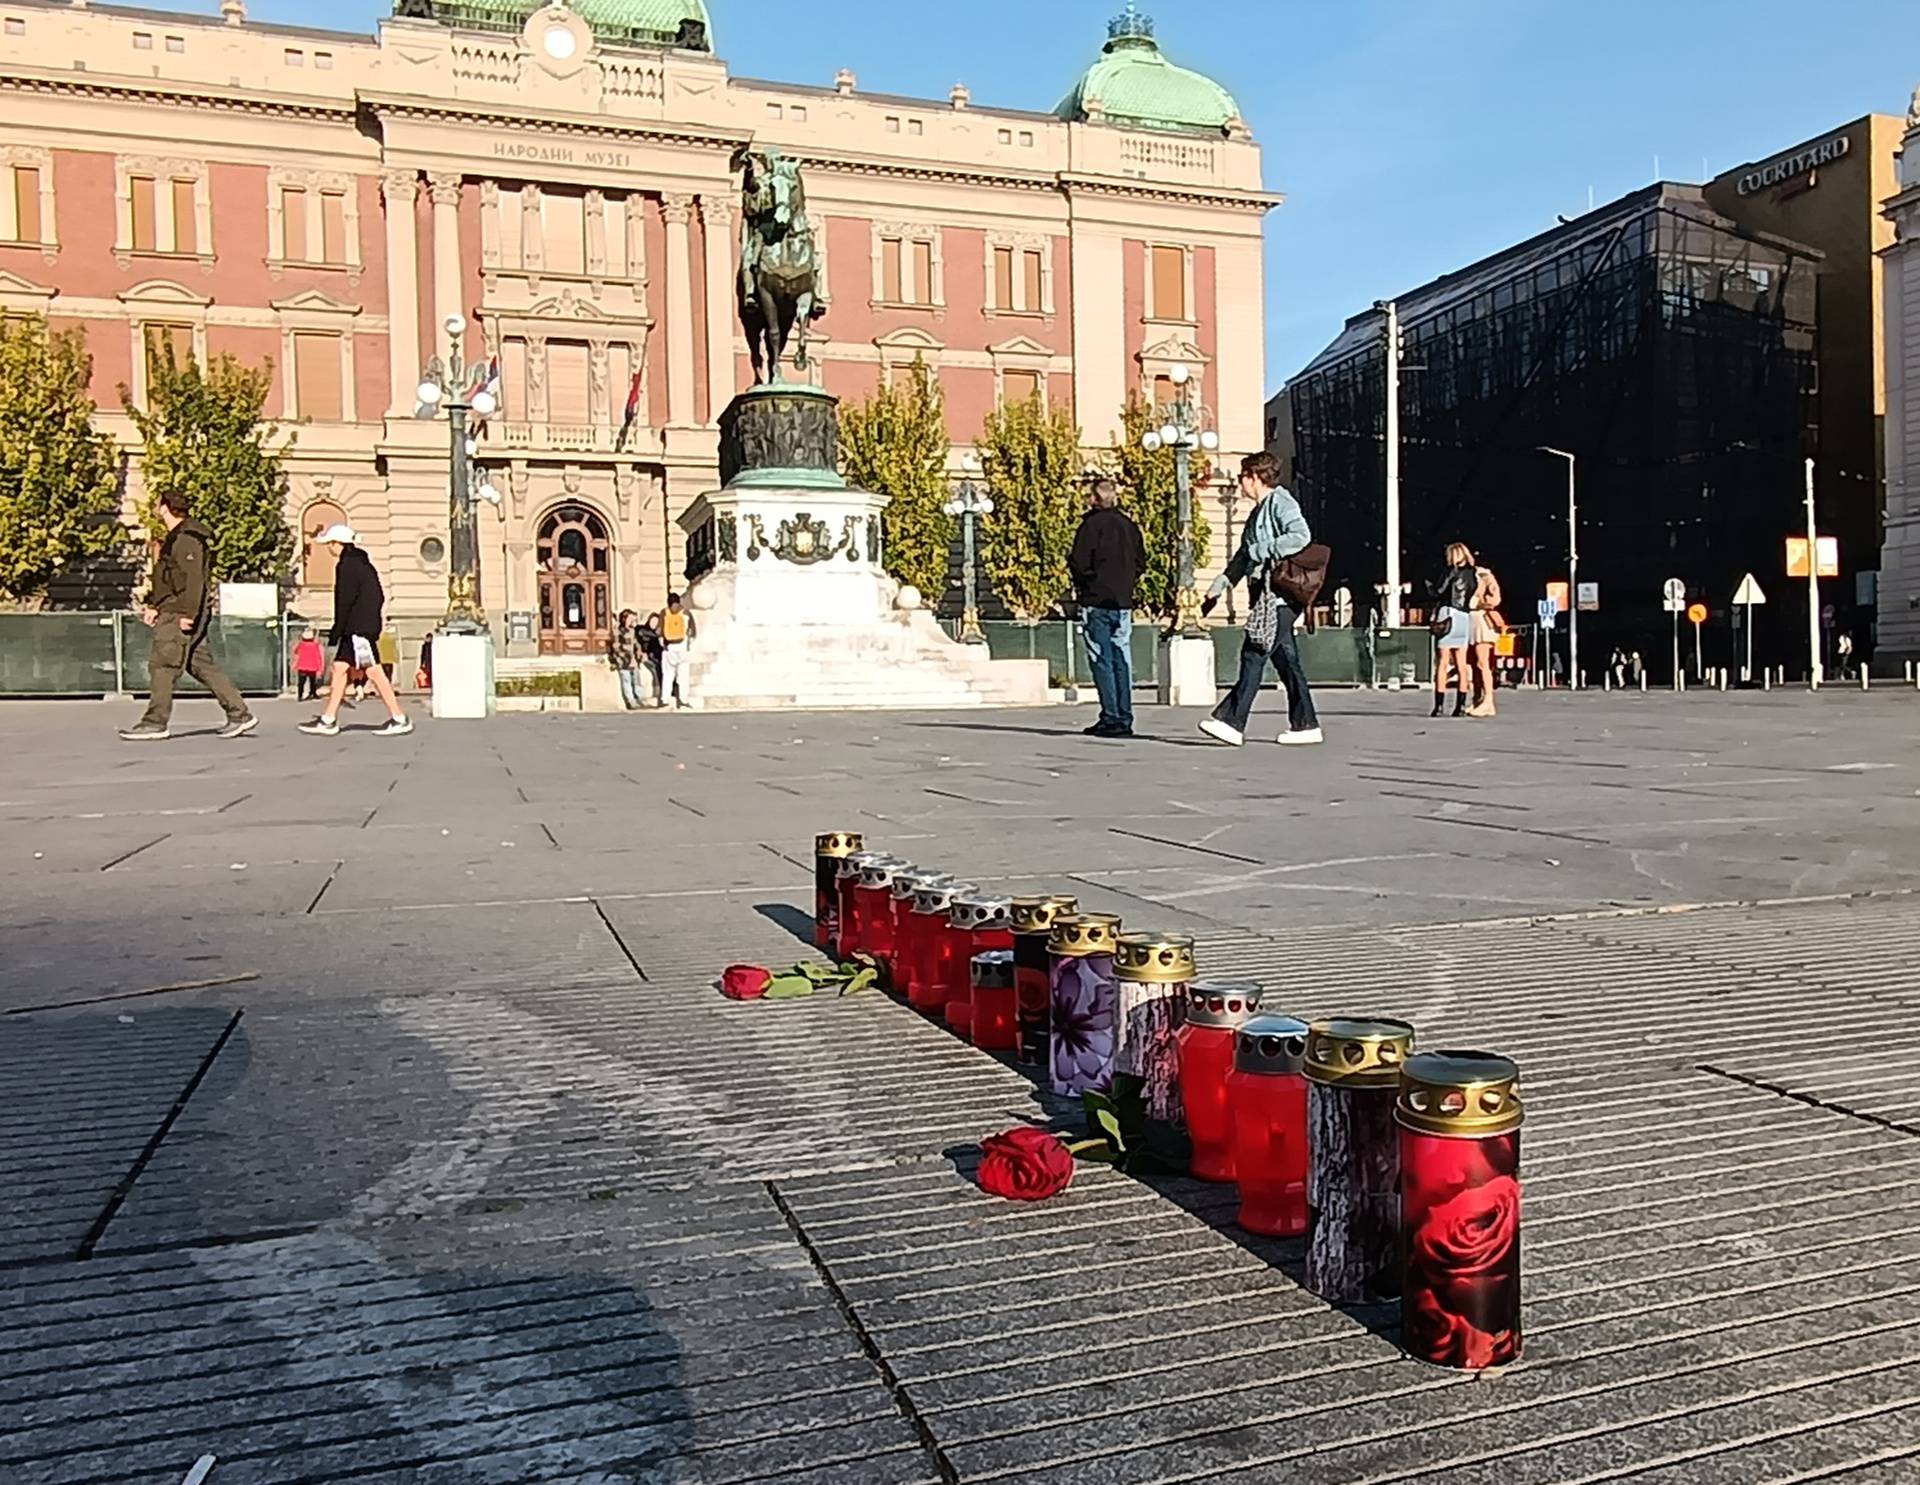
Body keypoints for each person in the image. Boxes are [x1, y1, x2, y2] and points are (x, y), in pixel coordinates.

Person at [1198, 451, 1322, 747]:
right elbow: (1243, 557)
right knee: (1286, 659)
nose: (1240, 483)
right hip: (1264, 594)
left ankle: (1232, 721)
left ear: (1254, 477)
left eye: (1242, 477)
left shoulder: (1281, 502)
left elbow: (1300, 536)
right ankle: (1306, 724)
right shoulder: (1257, 512)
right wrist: (1219, 586)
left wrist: (1263, 549)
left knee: (1254, 650)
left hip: (1278, 593)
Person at [118, 489, 257, 742]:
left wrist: (188, 613)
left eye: (158, 504)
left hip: (179, 612)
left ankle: (155, 722)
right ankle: (239, 713)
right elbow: (169, 580)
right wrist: (153, 604)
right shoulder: (176, 538)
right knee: (199, 664)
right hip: (172, 608)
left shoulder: (186, 540)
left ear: (165, 508)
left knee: (163, 665)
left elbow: (194, 581)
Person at [298, 524, 413, 737]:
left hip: (357, 630)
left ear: (338, 544)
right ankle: (329, 719)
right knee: (340, 668)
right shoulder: (364, 564)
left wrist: (337, 630)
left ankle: (399, 718)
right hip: (361, 628)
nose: (329, 548)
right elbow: (377, 597)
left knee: (374, 671)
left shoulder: (347, 566)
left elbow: (344, 601)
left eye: (331, 543)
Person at [1067, 478, 1146, 739]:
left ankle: (1111, 716)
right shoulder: (1129, 526)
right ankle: (1124, 715)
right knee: (1121, 658)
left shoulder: (1090, 526)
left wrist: (1086, 586)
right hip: (1123, 602)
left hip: (1096, 601)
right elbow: (1140, 562)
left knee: (1102, 659)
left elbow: (1079, 563)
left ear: (1094, 498)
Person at [1429, 544, 1478, 718]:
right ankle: (1461, 706)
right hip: (1464, 616)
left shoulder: (1451, 571)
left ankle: (1439, 706)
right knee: (1461, 664)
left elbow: (1439, 591)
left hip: (1448, 613)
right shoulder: (1472, 573)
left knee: (1442, 663)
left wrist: (1428, 586)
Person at [1467, 557, 1501, 718]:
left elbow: (1495, 599)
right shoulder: (1463, 575)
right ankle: (1477, 699)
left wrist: (1479, 602)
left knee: (1482, 662)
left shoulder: (1484, 576)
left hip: (1482, 620)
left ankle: (1488, 701)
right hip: (1470, 619)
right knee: (1474, 663)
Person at [658, 593, 694, 709]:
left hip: (669, 649)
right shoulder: (686, 613)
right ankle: (683, 700)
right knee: (683, 676)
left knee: (668, 675)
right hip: (683, 648)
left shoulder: (664, 613)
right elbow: (692, 632)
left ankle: (665, 699)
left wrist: (663, 643)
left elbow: (659, 631)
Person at [609, 608, 646, 710]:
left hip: (633, 659)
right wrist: (627, 658)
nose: (633, 621)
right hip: (623, 660)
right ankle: (630, 701)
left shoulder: (632, 631)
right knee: (626, 680)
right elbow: (616, 647)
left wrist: (639, 651)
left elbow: (635, 643)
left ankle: (640, 698)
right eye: (630, 619)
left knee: (637, 679)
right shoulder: (617, 631)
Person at [637, 613, 665, 707]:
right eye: (652, 621)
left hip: (658, 657)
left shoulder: (659, 633)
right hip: (646, 656)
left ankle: (663, 694)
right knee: (655, 670)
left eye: (656, 622)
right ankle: (658, 693)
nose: (654, 624)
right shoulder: (642, 630)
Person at [293, 626, 325, 702]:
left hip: (302, 666)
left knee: (301, 682)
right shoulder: (315, 645)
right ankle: (313, 693)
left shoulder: (301, 644)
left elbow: (295, 651)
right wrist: (320, 667)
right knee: (312, 681)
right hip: (312, 666)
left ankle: (300, 695)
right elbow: (318, 656)